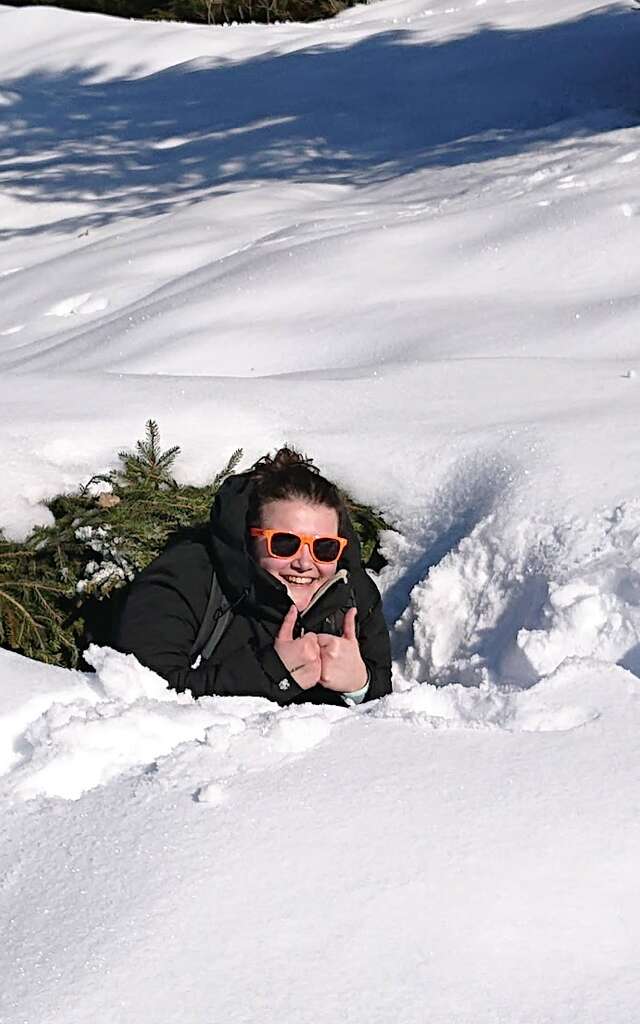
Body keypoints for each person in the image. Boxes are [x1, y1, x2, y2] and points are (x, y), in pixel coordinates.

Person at [115, 447, 392, 706]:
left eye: (325, 547)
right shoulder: (187, 578)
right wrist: (271, 673)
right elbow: (141, 692)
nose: (305, 563)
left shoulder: (352, 594)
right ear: (250, 539)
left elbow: (384, 701)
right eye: (285, 543)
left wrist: (361, 685)